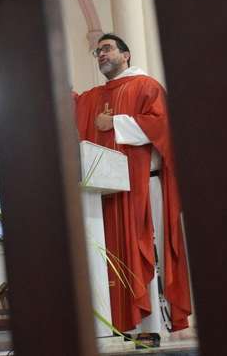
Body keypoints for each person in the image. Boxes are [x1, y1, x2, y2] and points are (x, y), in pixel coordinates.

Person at [75, 34, 192, 345]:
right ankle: (118, 328)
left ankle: (149, 326)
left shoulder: (146, 86)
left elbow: (162, 124)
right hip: (106, 191)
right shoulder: (93, 96)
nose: (101, 54)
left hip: (143, 184)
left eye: (107, 48)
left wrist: (115, 123)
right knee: (112, 252)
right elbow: (72, 108)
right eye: (97, 51)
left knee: (141, 249)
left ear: (125, 54)